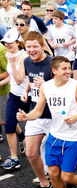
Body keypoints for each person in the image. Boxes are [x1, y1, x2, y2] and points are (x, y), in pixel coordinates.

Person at [17, 56, 77, 188]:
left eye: (69, 68)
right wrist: (26, 117)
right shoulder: (46, 86)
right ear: (54, 71)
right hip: (55, 136)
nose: (68, 71)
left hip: (74, 137)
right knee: (53, 174)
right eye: (64, 69)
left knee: (67, 177)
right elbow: (38, 111)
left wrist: (75, 117)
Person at [19, 31, 55, 188]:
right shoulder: (27, 61)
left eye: (35, 46)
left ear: (42, 46)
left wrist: (46, 85)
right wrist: (26, 92)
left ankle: (67, 181)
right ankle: (44, 184)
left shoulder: (52, 63)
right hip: (35, 113)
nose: (32, 50)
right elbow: (29, 78)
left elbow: (64, 85)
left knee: (56, 154)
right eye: (28, 47)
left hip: (53, 115)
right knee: (32, 153)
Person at [0, 28, 28, 170]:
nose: (7, 45)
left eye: (10, 42)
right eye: (5, 42)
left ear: (18, 42)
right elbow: (11, 77)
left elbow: (19, 80)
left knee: (38, 128)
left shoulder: (24, 57)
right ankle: (14, 158)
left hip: (27, 96)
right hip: (13, 95)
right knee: (9, 125)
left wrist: (11, 63)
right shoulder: (9, 54)